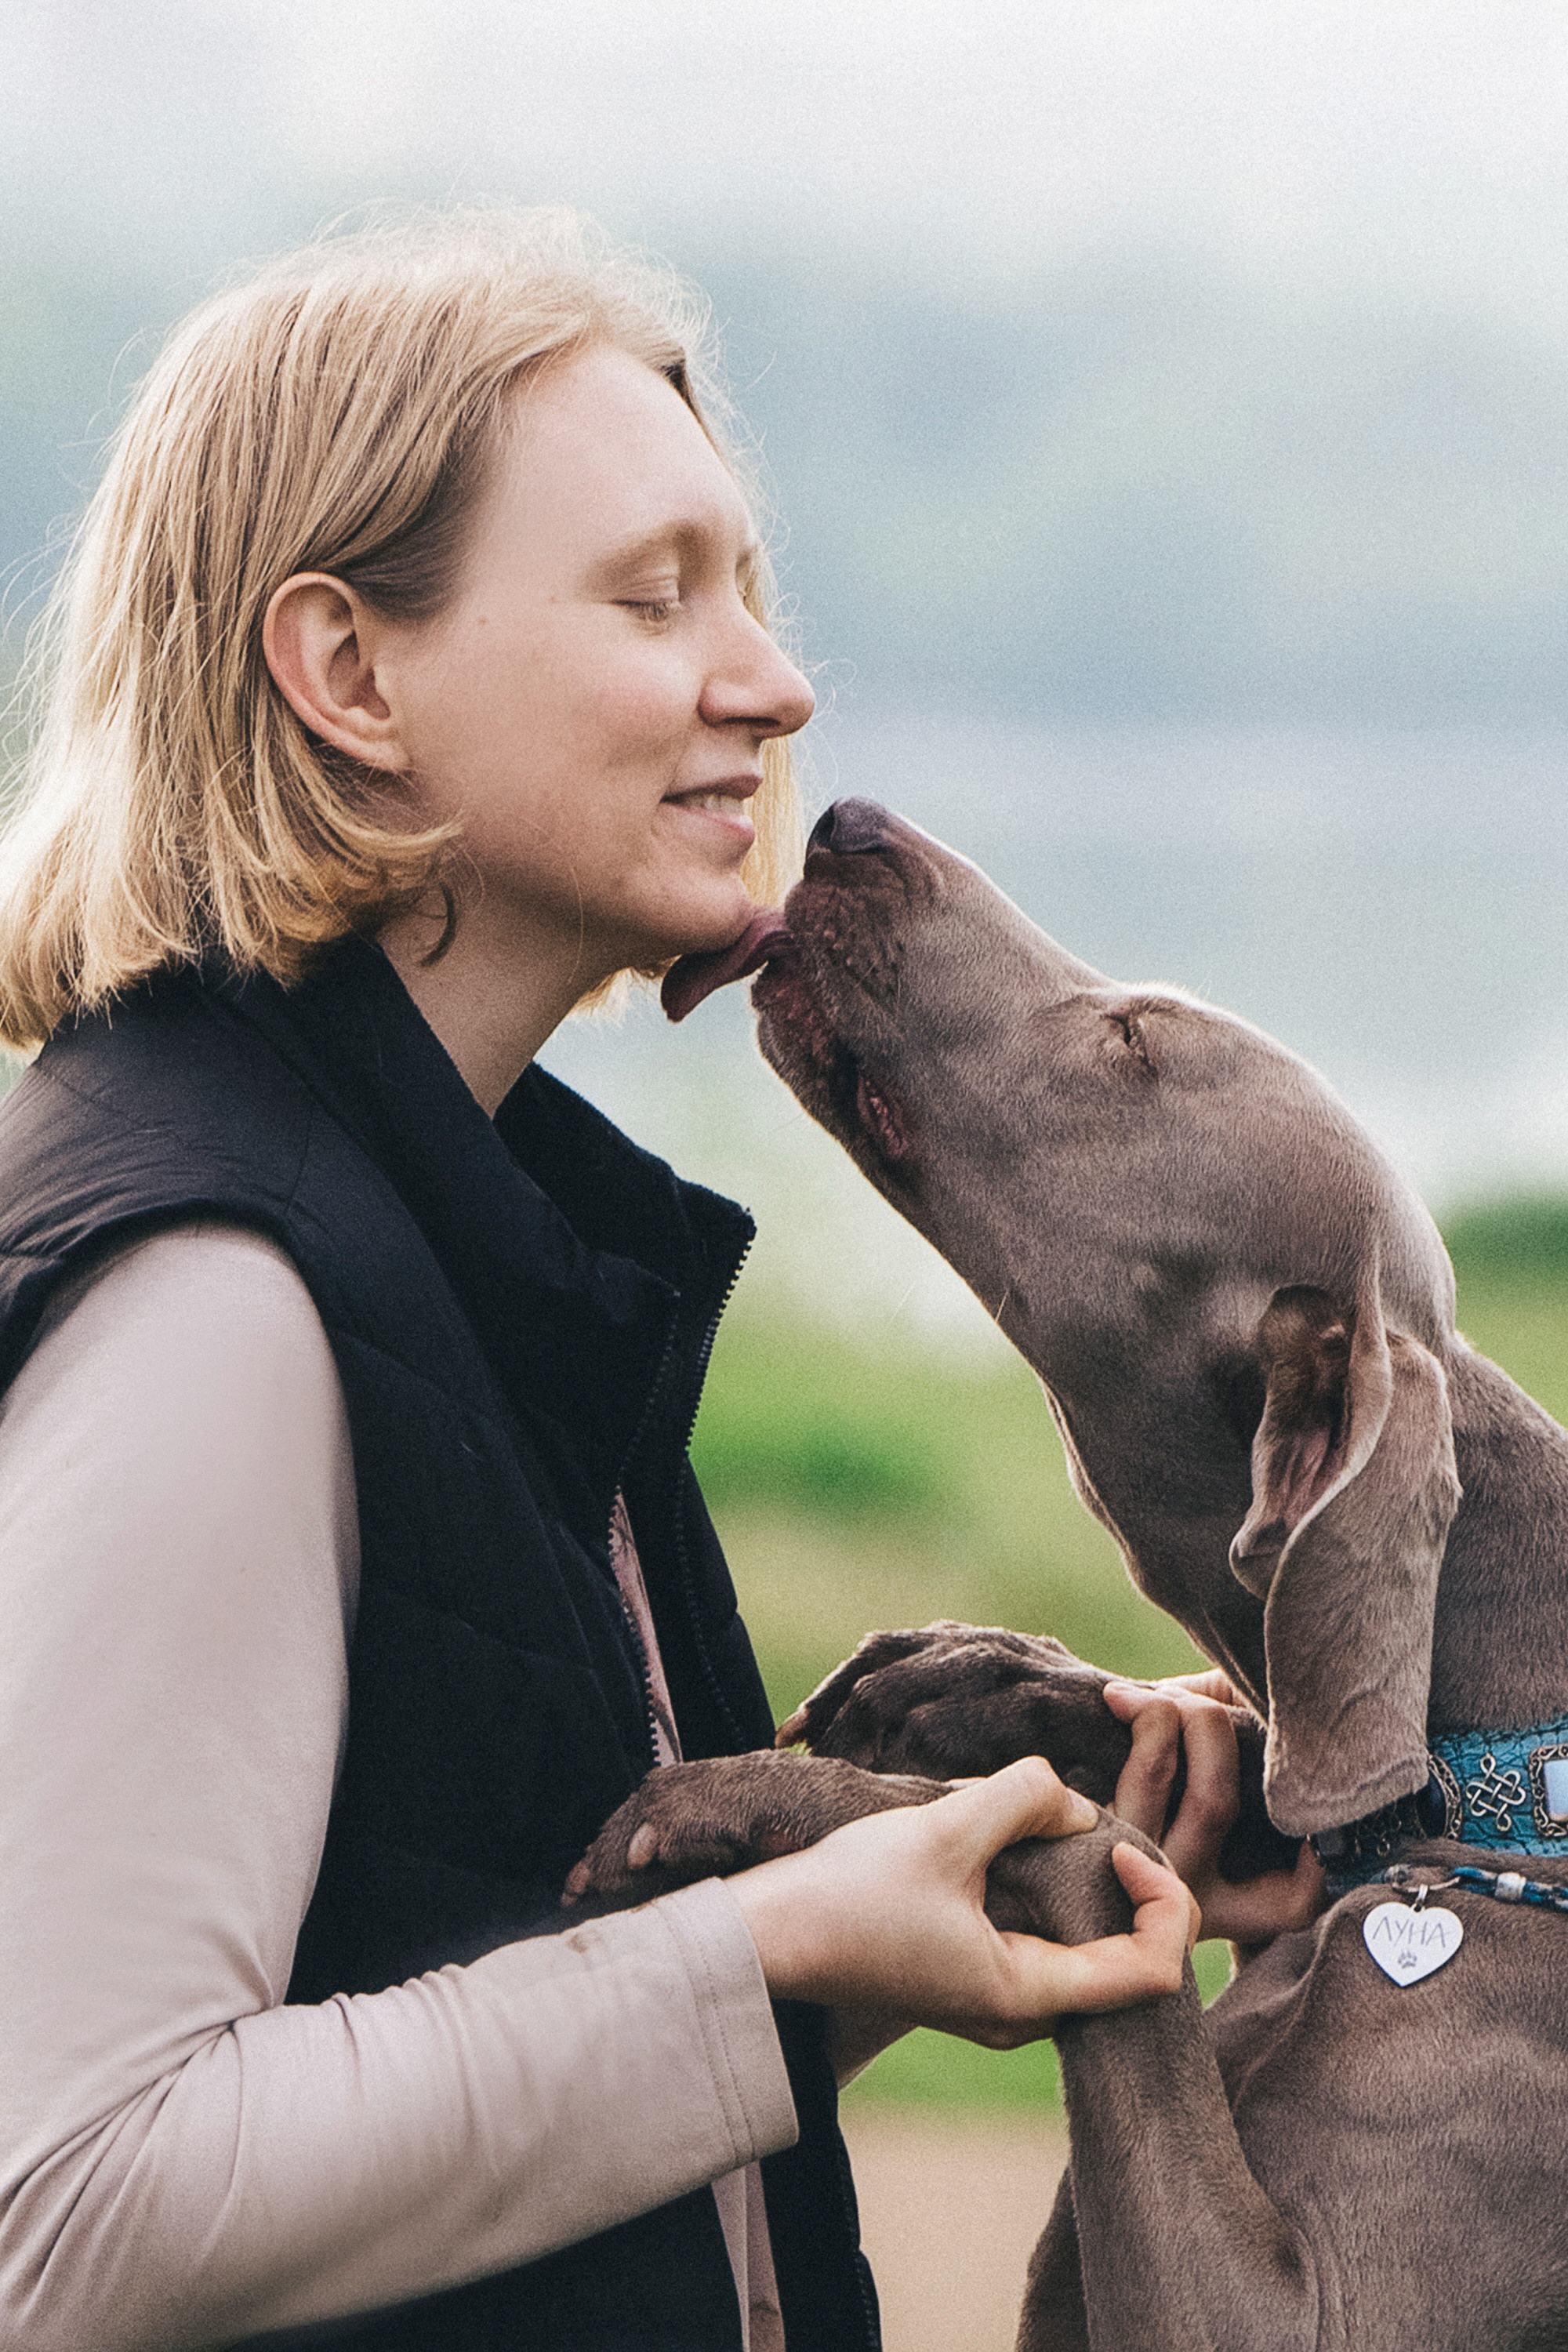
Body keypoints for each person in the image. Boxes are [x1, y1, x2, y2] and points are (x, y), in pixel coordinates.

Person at [0, 212, 1199, 2352]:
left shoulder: (465, 1248)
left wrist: (905, 1933)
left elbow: (464, 2114)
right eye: (656, 598)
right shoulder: (214, 1288)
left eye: (745, 584)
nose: (774, 678)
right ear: (348, 674)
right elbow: (73, 2207)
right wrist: (761, 1954)